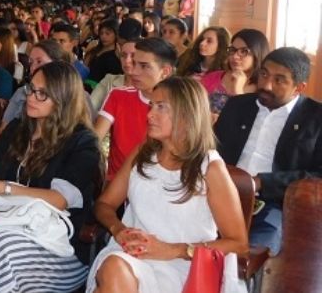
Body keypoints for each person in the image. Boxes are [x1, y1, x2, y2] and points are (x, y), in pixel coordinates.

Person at [0, 60, 101, 293]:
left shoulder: (82, 141)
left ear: (63, 99)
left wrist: (1, 187)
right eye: (30, 89)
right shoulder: (17, 129)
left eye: (42, 94)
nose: (31, 97)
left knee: (3, 248)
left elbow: (60, 199)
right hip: (1, 238)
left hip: (60, 254)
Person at [86, 77, 248, 293]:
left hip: (183, 267)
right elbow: (104, 204)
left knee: (113, 278)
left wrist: (173, 250)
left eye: (161, 107)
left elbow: (238, 243)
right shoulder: (143, 153)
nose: (150, 114)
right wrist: (119, 230)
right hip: (128, 255)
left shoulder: (209, 167)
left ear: (187, 114)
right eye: (151, 105)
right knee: (115, 268)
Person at [214, 47, 322, 255]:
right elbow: (211, 150)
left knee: (252, 254)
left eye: (279, 80)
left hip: (275, 203)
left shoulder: (316, 119)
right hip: (223, 192)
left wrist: (262, 182)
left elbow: (317, 176)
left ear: (299, 87)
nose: (266, 85)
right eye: (264, 74)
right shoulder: (237, 105)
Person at [94, 38, 176, 180]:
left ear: (165, 71)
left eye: (144, 66)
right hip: (117, 181)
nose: (134, 71)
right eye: (134, 64)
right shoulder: (118, 96)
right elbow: (95, 139)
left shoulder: (179, 107)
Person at [200, 29, 270, 117]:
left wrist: (238, 91)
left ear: (258, 53)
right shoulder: (211, 78)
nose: (235, 56)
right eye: (233, 50)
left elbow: (249, 122)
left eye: (244, 51)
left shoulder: (263, 89)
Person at [85, 19, 122, 84]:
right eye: (101, 33)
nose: (103, 36)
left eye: (107, 33)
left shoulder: (117, 54)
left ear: (116, 34)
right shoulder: (95, 49)